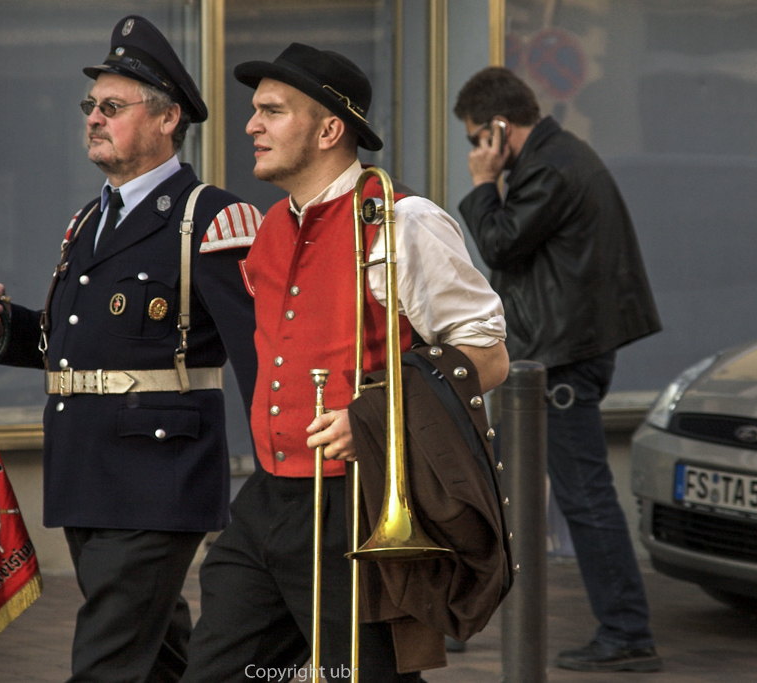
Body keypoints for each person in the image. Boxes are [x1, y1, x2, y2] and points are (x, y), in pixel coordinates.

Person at [181, 44, 509, 683]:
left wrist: (372, 414)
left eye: (272, 112)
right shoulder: (272, 225)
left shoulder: (402, 219)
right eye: (255, 111)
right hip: (270, 495)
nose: (251, 126)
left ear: (330, 129)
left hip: (355, 500)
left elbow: (488, 355)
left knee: (362, 674)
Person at [0, 15, 261, 683]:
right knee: (154, 650)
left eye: (112, 107)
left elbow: (260, 354)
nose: (94, 118)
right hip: (88, 468)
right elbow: (83, 346)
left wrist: (283, 474)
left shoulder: (208, 217)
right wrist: (9, 327)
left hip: (161, 476)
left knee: (104, 659)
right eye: (90, 107)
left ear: (166, 120)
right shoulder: (89, 219)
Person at [455, 66, 663, 673]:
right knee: (509, 493)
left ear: (499, 127)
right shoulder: (556, 158)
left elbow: (499, 243)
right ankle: (459, 615)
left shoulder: (549, 167)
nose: (476, 151)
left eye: (476, 138)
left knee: (585, 497)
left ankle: (627, 632)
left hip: (559, 360)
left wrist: (482, 184)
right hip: (553, 354)